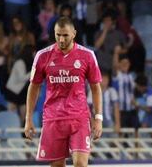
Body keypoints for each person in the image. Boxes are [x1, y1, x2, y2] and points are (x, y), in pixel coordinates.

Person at [24, 17, 103, 167]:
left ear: (74, 33)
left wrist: (98, 118)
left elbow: (96, 88)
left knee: (81, 164)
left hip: (79, 118)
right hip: (53, 119)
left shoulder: (87, 55)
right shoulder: (42, 56)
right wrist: (28, 119)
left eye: (65, 35)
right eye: (57, 35)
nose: (61, 39)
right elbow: (33, 87)